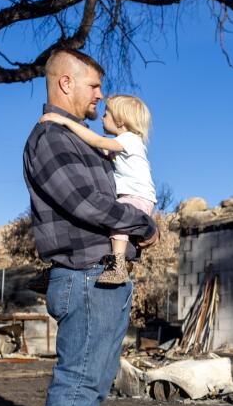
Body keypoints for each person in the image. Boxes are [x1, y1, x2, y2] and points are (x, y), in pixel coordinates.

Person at [22, 48, 159, 406]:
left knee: (95, 381)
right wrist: (143, 226)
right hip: (83, 275)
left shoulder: (79, 141)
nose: (101, 95)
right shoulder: (51, 138)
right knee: (79, 378)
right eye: (94, 86)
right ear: (65, 83)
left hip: (101, 274)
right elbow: (86, 204)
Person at [41, 94, 156, 286]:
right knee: (119, 218)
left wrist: (63, 120)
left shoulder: (129, 139)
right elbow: (99, 148)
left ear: (120, 121)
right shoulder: (123, 143)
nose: (102, 117)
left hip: (136, 196)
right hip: (139, 196)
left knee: (119, 218)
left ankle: (117, 265)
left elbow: (97, 142)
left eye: (107, 113)